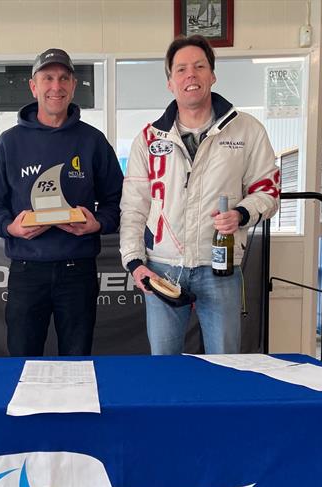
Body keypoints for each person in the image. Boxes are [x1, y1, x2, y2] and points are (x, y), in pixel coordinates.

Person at [120, 35, 280, 355]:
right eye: (180, 69)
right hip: (162, 270)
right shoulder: (148, 139)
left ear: (212, 75)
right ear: (170, 83)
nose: (190, 75)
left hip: (219, 268)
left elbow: (268, 189)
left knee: (226, 364)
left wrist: (242, 213)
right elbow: (134, 205)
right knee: (164, 367)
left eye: (199, 67)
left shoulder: (247, 130)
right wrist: (135, 262)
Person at [0, 48, 123, 357]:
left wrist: (98, 224)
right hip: (26, 272)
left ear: (73, 85)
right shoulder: (10, 142)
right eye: (47, 78)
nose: (55, 87)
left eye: (63, 78)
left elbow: (118, 202)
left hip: (78, 272)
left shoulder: (93, 141)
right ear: (34, 86)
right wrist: (10, 227)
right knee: (21, 359)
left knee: (77, 361)